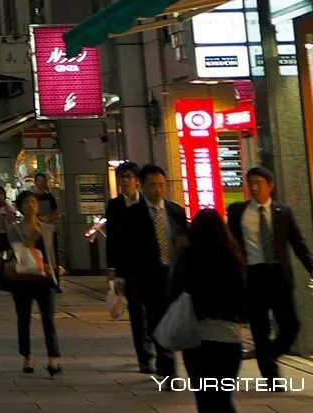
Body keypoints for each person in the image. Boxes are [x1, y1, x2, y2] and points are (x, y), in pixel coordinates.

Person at [225, 166, 313, 381]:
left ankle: (268, 354)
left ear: (270, 186)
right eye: (251, 183)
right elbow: (231, 246)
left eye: (259, 183)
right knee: (260, 328)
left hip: (279, 276)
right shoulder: (238, 212)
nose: (254, 188)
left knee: (291, 326)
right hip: (253, 275)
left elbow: (298, 244)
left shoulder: (283, 212)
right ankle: (271, 377)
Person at [169, 209, 247, 412]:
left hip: (197, 340)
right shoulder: (233, 259)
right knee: (223, 397)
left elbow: (172, 295)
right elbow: (244, 301)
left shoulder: (187, 259)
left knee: (204, 399)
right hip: (228, 338)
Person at [119, 164, 189, 376]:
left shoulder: (176, 211)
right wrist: (122, 276)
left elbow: (186, 243)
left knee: (172, 319)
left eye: (161, 185)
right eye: (152, 186)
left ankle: (165, 361)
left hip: (174, 275)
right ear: (142, 186)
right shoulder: (133, 215)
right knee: (156, 320)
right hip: (147, 277)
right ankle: (167, 366)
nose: (157, 190)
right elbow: (125, 248)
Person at [3, 190, 62, 376]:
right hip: (23, 279)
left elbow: (53, 254)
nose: (31, 205)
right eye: (27, 202)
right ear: (20, 207)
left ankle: (53, 359)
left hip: (44, 279)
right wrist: (31, 239)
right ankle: (27, 357)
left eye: (34, 202)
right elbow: (18, 253)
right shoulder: (14, 229)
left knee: (49, 318)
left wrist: (56, 275)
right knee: (23, 318)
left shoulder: (47, 228)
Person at [104, 162, 146, 368]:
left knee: (154, 312)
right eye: (121, 177)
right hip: (127, 269)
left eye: (128, 177)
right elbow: (112, 239)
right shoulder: (114, 205)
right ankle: (145, 357)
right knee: (137, 312)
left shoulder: (147, 203)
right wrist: (113, 269)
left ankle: (157, 348)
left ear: (137, 180)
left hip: (151, 267)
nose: (124, 181)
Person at [31, 172, 62, 286]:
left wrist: (49, 219)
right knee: (39, 254)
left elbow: (55, 213)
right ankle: (42, 279)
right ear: (35, 182)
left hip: (49, 229)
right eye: (39, 180)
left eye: (43, 181)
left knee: (52, 254)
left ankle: (54, 280)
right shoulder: (32, 197)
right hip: (37, 230)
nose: (41, 183)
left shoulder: (50, 197)